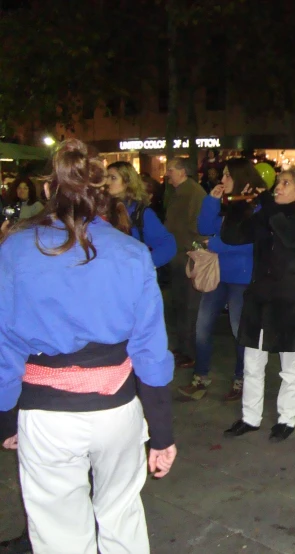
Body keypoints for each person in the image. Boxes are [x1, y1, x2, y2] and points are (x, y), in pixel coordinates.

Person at [0, 139, 176, 553]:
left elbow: (5, 342)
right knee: (121, 515)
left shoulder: (15, 250)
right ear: (101, 194)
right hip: (117, 411)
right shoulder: (132, 254)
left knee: (57, 529)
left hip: (46, 415)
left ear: (47, 191)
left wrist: (7, 417)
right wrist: (162, 434)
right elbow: (150, 353)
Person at [220, 169, 295, 442]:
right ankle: (250, 417)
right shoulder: (267, 214)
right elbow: (233, 236)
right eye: (277, 183)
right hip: (259, 298)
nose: (278, 187)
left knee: (289, 366)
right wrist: (238, 206)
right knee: (252, 362)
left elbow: (290, 238)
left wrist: (269, 206)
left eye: (285, 183)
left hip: (288, 300)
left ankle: (287, 419)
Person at [178, 159, 261, 402]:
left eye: (227, 176)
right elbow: (205, 226)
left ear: (241, 178)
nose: (222, 180)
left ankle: (242, 380)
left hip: (242, 278)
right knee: (202, 327)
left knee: (239, 332)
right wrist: (211, 200)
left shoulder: (254, 208)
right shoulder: (229, 205)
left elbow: (251, 244)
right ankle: (201, 378)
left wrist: (216, 245)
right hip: (218, 276)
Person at [164, 158, 207, 368]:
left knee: (189, 307)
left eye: (170, 170)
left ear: (182, 171)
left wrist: (192, 249)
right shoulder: (181, 193)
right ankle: (183, 348)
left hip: (188, 258)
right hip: (179, 256)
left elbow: (198, 227)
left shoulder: (193, 194)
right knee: (180, 305)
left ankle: (190, 352)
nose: (167, 174)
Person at [106, 161, 176, 268]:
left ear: (127, 182)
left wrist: (142, 266)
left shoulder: (140, 212)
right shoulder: (100, 209)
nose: (107, 182)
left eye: (113, 178)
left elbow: (168, 245)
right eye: (106, 177)